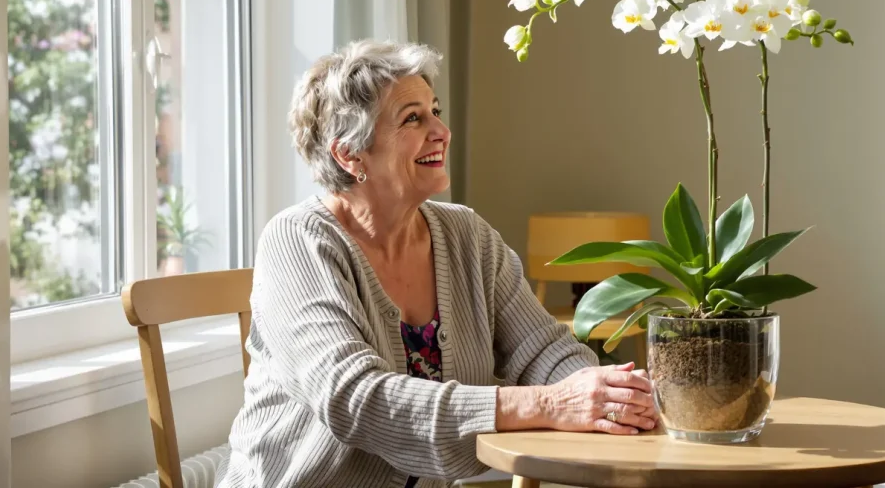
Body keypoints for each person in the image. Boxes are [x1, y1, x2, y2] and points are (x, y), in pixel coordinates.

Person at [215, 40, 657, 488]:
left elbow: (542, 349)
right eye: (413, 118)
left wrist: (610, 396)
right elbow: (354, 398)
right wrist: (551, 404)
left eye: (436, 111)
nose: (442, 131)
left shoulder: (467, 235)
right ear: (349, 154)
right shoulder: (298, 241)